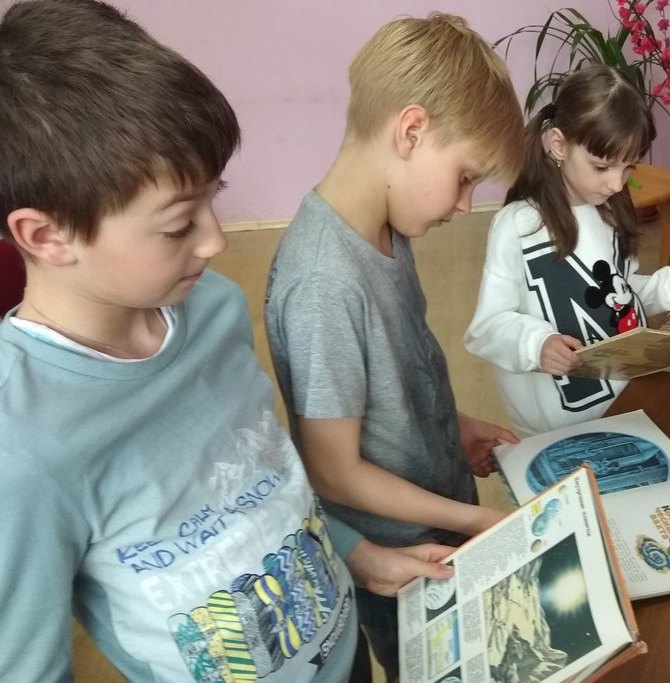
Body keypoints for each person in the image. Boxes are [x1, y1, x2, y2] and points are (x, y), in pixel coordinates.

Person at [0, 2, 456, 680]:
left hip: (344, 648)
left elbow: (265, 484)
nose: (216, 240)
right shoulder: (20, 447)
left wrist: (356, 551)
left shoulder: (212, 305)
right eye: (179, 224)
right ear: (46, 236)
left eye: (216, 198)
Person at [263, 13, 525, 681]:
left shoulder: (387, 227)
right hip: (397, 557)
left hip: (435, 517)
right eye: (465, 177)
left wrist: (452, 423)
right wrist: (472, 518)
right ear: (411, 131)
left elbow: (389, 380)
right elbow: (334, 470)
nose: (464, 205)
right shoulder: (323, 283)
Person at [464, 65, 670, 436]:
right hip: (552, 427)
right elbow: (487, 327)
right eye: (601, 166)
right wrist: (537, 344)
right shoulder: (517, 226)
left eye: (628, 167)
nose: (616, 183)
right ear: (559, 145)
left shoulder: (612, 210)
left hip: (623, 405)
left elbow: (619, 292)